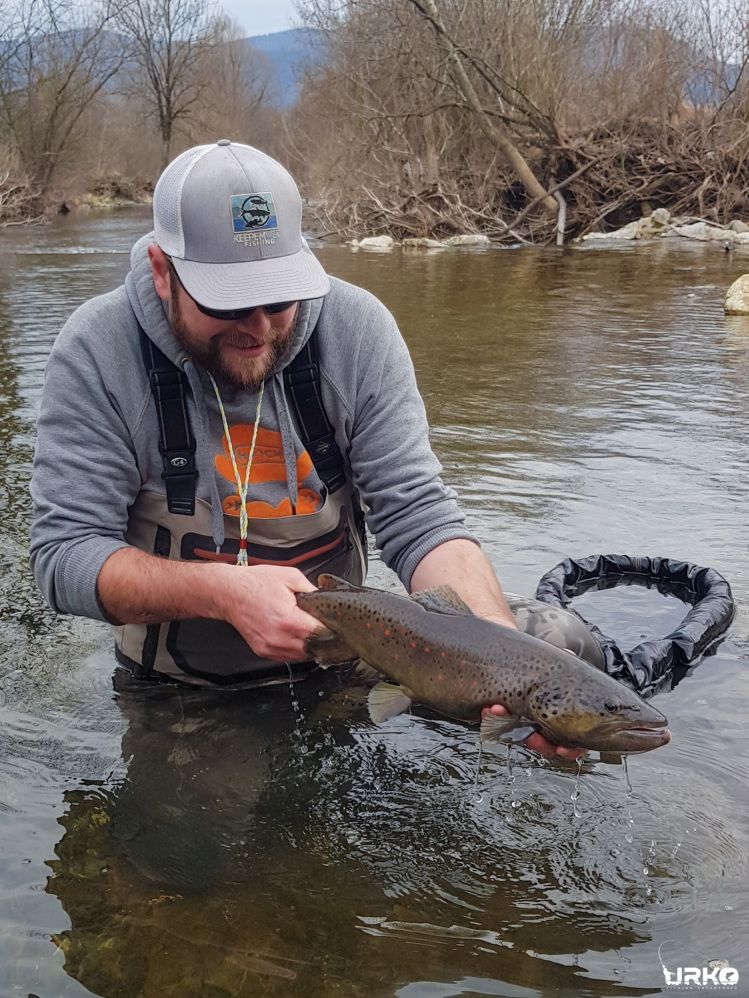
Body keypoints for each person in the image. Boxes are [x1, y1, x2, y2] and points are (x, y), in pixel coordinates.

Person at [30, 139, 578, 758]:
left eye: (279, 297)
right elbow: (63, 557)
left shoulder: (356, 330)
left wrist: (498, 656)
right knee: (209, 852)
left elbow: (418, 515)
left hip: (352, 660)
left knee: (564, 653)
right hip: (189, 692)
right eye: (229, 301)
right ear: (162, 270)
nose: (259, 327)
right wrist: (222, 592)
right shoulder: (98, 354)